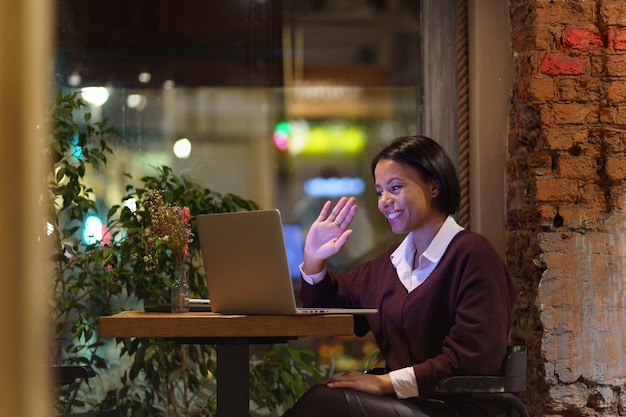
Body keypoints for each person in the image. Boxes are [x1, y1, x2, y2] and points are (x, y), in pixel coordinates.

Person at [282, 136, 518, 417]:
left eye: (395, 188)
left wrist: (384, 382)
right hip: (410, 405)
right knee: (328, 397)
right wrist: (313, 257)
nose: (384, 202)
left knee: (325, 401)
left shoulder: (472, 254)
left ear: (434, 186)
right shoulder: (391, 263)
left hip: (458, 409)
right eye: (380, 191)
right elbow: (333, 300)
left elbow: (471, 360)